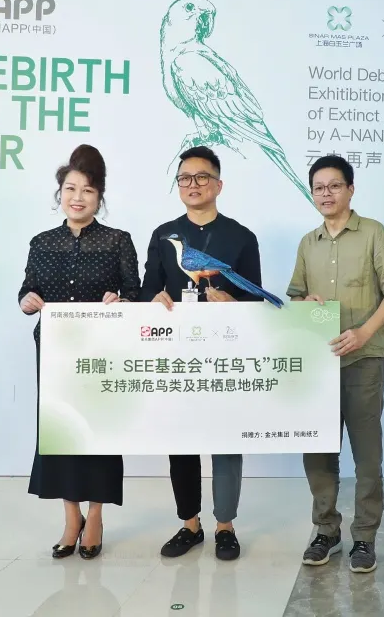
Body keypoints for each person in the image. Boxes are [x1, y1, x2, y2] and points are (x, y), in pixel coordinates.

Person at [139, 145, 263, 562]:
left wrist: (233, 301)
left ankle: (225, 526)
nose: (193, 185)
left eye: (202, 177)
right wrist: (153, 298)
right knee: (181, 439)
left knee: (226, 438)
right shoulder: (163, 235)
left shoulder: (241, 237)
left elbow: (255, 299)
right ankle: (189, 524)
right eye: (184, 178)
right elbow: (146, 290)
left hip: (225, 355)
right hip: (176, 355)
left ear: (218, 185)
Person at [18, 144, 141, 560]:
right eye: (71, 189)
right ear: (60, 193)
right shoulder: (42, 242)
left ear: (99, 196)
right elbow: (27, 290)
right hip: (55, 350)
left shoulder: (117, 241)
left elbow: (135, 293)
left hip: (102, 351)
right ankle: (72, 518)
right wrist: (27, 301)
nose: (77, 197)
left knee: (99, 433)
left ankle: (97, 516)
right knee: (61, 433)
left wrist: (120, 301)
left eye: (88, 190)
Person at [286, 154, 384, 574]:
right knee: (318, 450)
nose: (326, 193)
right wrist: (305, 301)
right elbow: (294, 297)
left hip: (364, 358)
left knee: (366, 453)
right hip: (320, 362)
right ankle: (327, 530)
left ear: (350, 189)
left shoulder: (374, 233)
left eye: (334, 185)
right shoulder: (308, 242)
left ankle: (365, 537)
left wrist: (365, 332)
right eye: (319, 187)